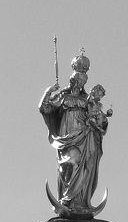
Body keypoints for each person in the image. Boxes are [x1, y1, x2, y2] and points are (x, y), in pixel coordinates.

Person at [39, 70, 109, 213]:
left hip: (86, 136)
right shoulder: (63, 97)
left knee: (86, 166)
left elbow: (100, 118)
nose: (78, 84)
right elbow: (44, 108)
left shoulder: (88, 100)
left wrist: (101, 122)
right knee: (71, 162)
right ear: (71, 81)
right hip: (68, 136)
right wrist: (48, 92)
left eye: (82, 81)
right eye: (76, 80)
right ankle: (67, 198)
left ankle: (80, 202)